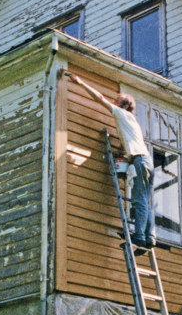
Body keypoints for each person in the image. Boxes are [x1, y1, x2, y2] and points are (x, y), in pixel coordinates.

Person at [65, 72, 155, 253]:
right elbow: (128, 143)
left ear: (124, 106)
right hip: (146, 161)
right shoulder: (131, 122)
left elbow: (99, 98)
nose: (113, 102)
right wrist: (122, 153)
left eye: (117, 100)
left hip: (140, 161)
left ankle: (139, 238)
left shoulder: (122, 114)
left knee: (138, 201)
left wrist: (80, 82)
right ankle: (149, 237)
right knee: (144, 199)